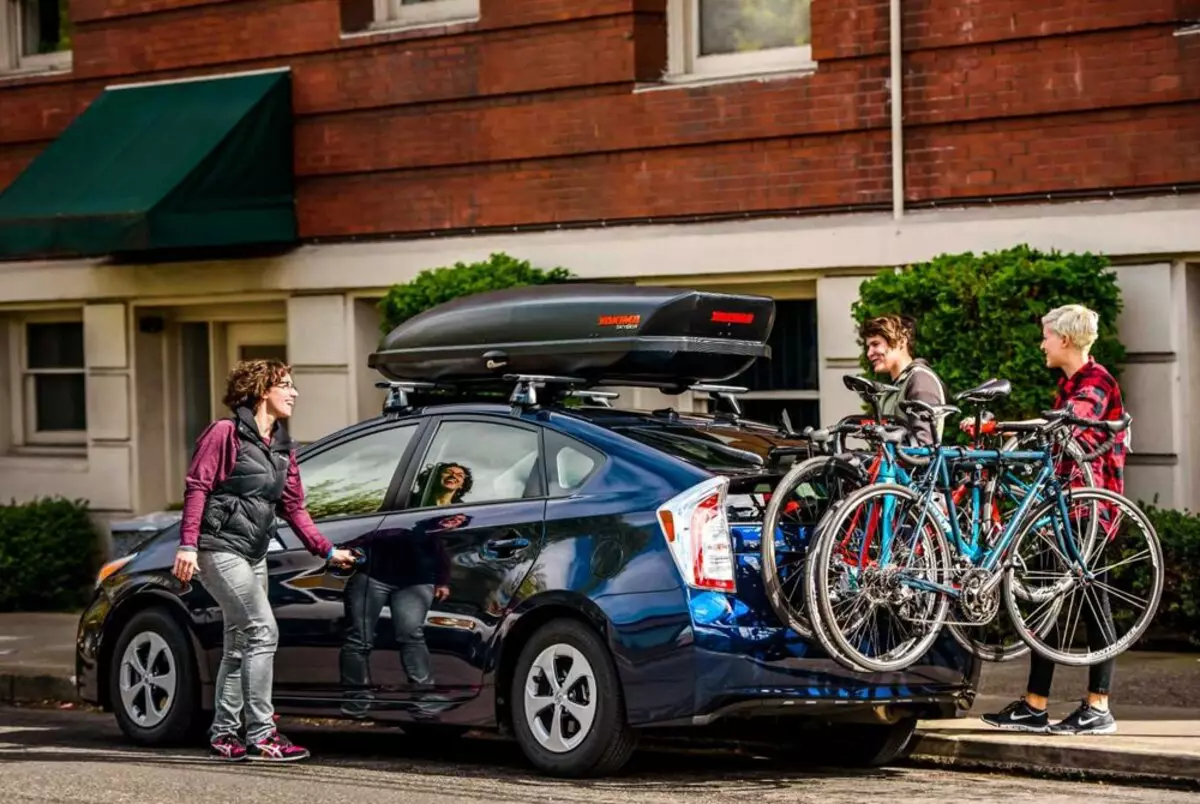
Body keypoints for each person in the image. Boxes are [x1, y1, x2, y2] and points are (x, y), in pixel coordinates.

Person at [172, 359, 355, 762]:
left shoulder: (283, 446)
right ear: (261, 390)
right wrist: (187, 546)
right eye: (285, 385)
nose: (294, 392)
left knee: (240, 641)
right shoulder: (225, 433)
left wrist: (326, 549)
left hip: (253, 552)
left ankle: (224, 733)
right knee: (262, 632)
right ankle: (262, 733)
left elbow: (294, 507)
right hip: (218, 548)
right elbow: (197, 488)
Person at [981, 304, 1125, 736]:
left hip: (1089, 510)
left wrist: (1017, 428)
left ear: (1064, 339)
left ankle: (1099, 706)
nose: (1041, 344)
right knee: (1047, 606)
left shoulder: (1096, 382)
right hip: (1059, 508)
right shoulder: (1068, 385)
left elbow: (1069, 426)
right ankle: (1034, 705)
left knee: (1092, 604)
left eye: (1045, 336)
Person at [338, 464, 464, 719]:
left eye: (460, 476)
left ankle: (424, 699)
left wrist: (443, 580)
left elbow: (444, 552)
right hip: (375, 573)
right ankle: (357, 701)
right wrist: (348, 549)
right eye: (448, 472)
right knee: (358, 639)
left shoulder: (461, 513)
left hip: (417, 579)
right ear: (434, 477)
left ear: (463, 485)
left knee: (411, 634)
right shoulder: (409, 499)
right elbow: (377, 528)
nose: (454, 476)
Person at [861, 314, 948, 445]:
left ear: (901, 341)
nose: (869, 353)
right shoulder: (893, 388)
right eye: (868, 347)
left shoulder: (920, 379)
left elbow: (923, 445)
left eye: (875, 344)